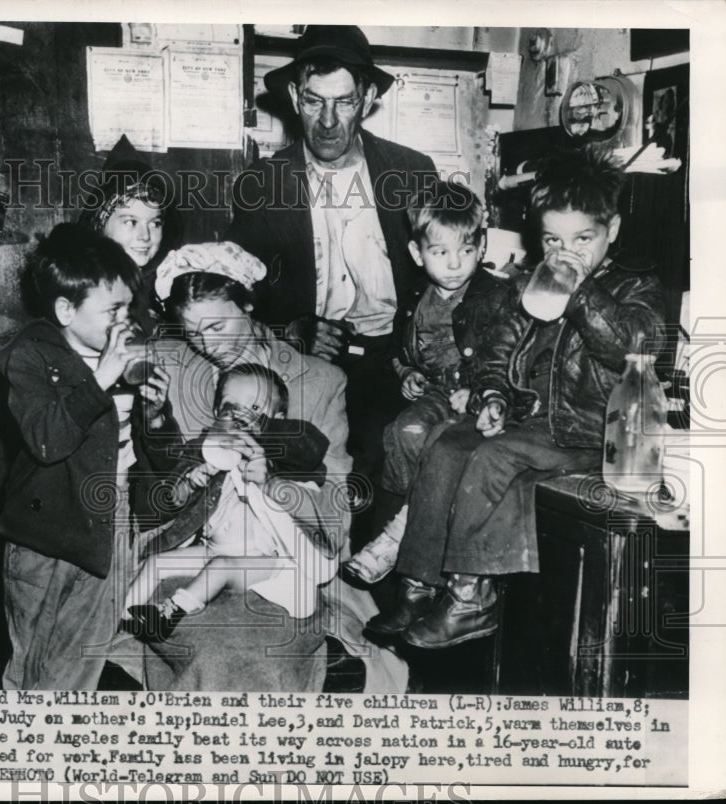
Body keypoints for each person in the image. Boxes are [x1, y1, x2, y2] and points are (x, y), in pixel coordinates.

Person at [374, 146, 665, 649]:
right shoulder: (524, 286)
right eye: (552, 239)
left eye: (582, 239)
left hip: (589, 432)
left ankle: (470, 599)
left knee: (492, 455)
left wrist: (579, 292)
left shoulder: (637, 287)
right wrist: (494, 396)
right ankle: (419, 584)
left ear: (611, 230)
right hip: (529, 423)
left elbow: (632, 348)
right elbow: (496, 354)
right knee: (444, 446)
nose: (565, 252)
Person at [135, 241, 409, 692]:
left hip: (291, 563)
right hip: (188, 559)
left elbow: (335, 516)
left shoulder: (318, 380)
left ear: (248, 302)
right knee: (214, 647)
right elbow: (153, 500)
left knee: (263, 651)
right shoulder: (170, 369)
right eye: (193, 332)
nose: (208, 345)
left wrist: (274, 488)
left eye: (219, 326)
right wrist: (155, 426)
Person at [226, 25, 438, 494]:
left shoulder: (412, 172)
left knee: (396, 459)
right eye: (313, 100)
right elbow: (237, 296)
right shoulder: (263, 184)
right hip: (308, 362)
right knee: (303, 468)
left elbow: (443, 275)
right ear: (293, 95)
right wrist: (290, 329)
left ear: (365, 99)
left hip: (396, 361)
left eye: (343, 102)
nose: (327, 120)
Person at [0, 223, 173, 689]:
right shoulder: (30, 356)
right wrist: (101, 378)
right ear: (66, 310)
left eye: (129, 306)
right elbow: (48, 441)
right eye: (113, 310)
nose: (126, 320)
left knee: (81, 664)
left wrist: (155, 416)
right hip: (46, 534)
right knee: (33, 667)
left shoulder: (126, 357)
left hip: (111, 523)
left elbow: (151, 454)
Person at [341, 181, 509, 588]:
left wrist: (479, 388)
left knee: (437, 445)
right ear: (418, 254)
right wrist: (406, 373)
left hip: (479, 399)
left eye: (466, 251)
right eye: (440, 252)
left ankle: (402, 535)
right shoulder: (416, 295)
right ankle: (407, 516)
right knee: (402, 432)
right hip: (436, 391)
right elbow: (401, 349)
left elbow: (507, 355)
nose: (455, 264)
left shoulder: (494, 296)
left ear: (481, 249)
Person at [122, 363, 335, 643]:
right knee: (157, 562)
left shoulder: (283, 455)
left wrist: (265, 442)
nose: (239, 416)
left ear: (279, 418)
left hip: (265, 561)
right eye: (229, 407)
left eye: (256, 409)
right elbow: (171, 492)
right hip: (212, 548)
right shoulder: (208, 448)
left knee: (221, 567)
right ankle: (126, 617)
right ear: (215, 413)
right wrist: (191, 482)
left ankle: (171, 612)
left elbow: (312, 447)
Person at [80, 134, 182, 332]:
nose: (144, 236)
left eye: (155, 223)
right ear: (100, 224)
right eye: (130, 222)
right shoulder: (83, 286)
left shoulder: (170, 281)